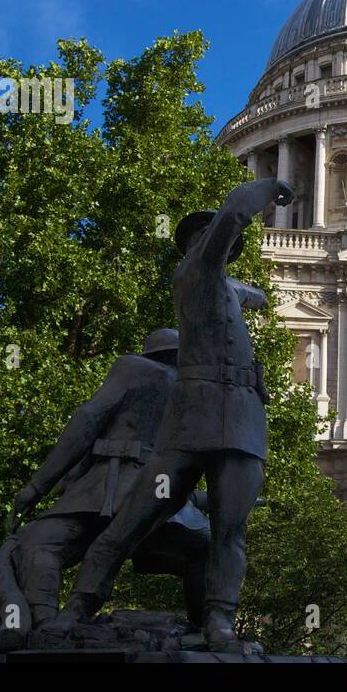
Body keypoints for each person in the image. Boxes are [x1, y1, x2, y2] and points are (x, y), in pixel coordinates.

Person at [47, 177, 294, 649]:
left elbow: (245, 293)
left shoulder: (220, 286)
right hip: (196, 415)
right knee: (137, 515)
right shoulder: (195, 273)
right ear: (196, 245)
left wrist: (252, 294)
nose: (216, 240)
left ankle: (219, 620)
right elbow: (235, 210)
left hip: (241, 417)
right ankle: (78, 606)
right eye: (208, 235)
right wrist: (270, 189)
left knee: (230, 529)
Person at [0, 329, 211, 652]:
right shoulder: (194, 391)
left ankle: (43, 626)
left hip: (103, 491)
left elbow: (87, 419)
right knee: (206, 547)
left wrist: (36, 487)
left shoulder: (133, 367)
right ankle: (208, 630)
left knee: (35, 545)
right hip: (153, 498)